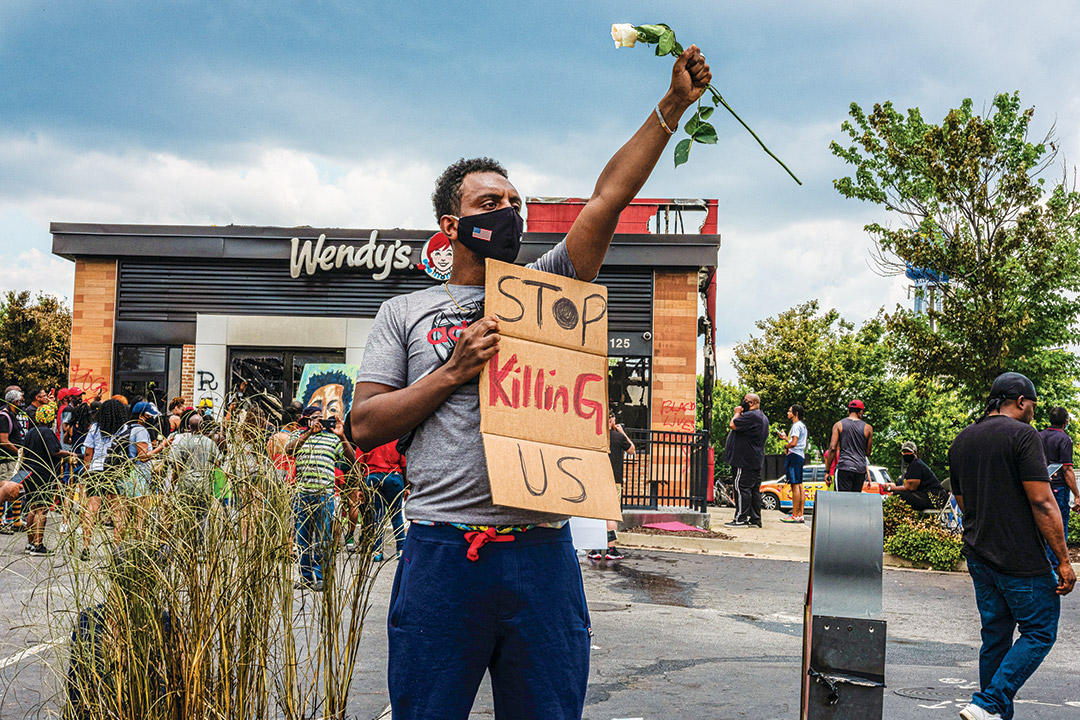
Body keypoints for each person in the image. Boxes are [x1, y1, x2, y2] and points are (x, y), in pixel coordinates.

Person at [349, 45, 712, 720]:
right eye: (492, 202)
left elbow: (608, 199)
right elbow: (364, 425)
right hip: (442, 551)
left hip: (543, 556)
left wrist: (671, 108)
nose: (510, 213)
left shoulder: (545, 291)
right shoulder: (403, 313)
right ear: (452, 226)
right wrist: (454, 372)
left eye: (516, 202)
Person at [948, 372, 1075, 720]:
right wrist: (1063, 560)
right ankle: (989, 704)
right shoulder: (1023, 436)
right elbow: (1043, 501)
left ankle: (990, 714)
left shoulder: (961, 441)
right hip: (1020, 558)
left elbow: (963, 501)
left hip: (979, 554)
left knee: (996, 637)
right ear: (1020, 401)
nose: (1034, 412)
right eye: (1032, 405)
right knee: (1040, 629)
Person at [286, 405, 356, 591]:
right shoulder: (298, 436)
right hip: (302, 494)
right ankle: (306, 577)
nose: (318, 421)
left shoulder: (332, 438)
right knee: (302, 538)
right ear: (307, 420)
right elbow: (289, 450)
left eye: (321, 417)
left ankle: (323, 577)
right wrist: (308, 433)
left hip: (324, 494)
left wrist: (342, 436)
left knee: (323, 538)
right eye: (314, 418)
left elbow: (351, 459)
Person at [21, 404, 77, 554]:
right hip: (42, 474)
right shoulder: (47, 432)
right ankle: (38, 545)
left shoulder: (31, 432)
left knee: (32, 507)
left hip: (27, 472)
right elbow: (54, 451)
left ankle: (30, 543)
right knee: (42, 509)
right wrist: (69, 454)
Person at [115, 400, 171, 542]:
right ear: (142, 416)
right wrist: (163, 446)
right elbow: (143, 457)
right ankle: (138, 550)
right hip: (138, 477)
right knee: (140, 518)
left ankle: (117, 552)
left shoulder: (125, 428)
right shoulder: (140, 430)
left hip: (124, 475)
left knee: (122, 517)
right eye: (149, 416)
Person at [80, 398, 128, 560]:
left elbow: (88, 454)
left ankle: (86, 547)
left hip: (96, 470)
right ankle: (117, 549)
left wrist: (86, 472)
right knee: (118, 512)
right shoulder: (124, 429)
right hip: (116, 471)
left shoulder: (94, 428)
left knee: (92, 509)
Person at [588, 413, 635, 560]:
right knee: (611, 514)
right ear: (612, 420)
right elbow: (632, 449)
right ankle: (611, 548)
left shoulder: (596, 437)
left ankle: (594, 549)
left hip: (597, 479)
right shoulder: (618, 437)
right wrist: (622, 432)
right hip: (614, 480)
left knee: (597, 513)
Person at [723, 393, 770, 528]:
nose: (742, 403)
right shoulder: (762, 417)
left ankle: (740, 518)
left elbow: (733, 424)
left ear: (751, 403)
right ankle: (755, 519)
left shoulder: (751, 416)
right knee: (754, 490)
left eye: (744, 400)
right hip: (754, 460)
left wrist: (737, 412)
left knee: (741, 487)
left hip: (743, 460)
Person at [1040, 406, 1078, 566]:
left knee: (1042, 525)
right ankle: (1055, 566)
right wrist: (1077, 495)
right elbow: (1067, 469)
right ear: (1066, 421)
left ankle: (1043, 564)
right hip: (1058, 489)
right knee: (1058, 526)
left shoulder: (1038, 436)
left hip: (1040, 487)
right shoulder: (1064, 439)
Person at [361, 439, 407, 561]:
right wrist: (407, 486)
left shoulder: (368, 437)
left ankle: (377, 551)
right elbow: (404, 463)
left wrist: (359, 488)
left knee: (377, 516)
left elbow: (360, 464)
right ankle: (401, 550)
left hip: (372, 477)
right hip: (393, 476)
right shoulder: (396, 437)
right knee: (396, 515)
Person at [825, 399, 873, 492]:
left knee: (842, 500)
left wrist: (827, 471)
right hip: (860, 469)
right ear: (861, 412)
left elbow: (832, 448)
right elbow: (868, 452)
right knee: (855, 500)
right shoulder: (868, 428)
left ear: (848, 411)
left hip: (844, 467)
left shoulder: (838, 425)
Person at [885, 441, 948, 511]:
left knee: (899, 495)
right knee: (899, 493)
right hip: (931, 496)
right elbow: (904, 484)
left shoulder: (916, 465)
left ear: (914, 453)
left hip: (936, 499)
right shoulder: (913, 465)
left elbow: (910, 488)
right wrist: (893, 485)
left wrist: (890, 489)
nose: (906, 454)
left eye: (908, 452)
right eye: (904, 452)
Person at [779, 404, 808, 523]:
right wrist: (787, 439)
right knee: (800, 485)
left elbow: (794, 443)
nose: (787, 413)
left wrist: (787, 445)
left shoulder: (796, 426)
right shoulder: (803, 426)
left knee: (794, 485)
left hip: (794, 456)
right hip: (800, 455)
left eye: (790, 411)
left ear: (795, 413)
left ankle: (795, 514)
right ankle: (800, 514)